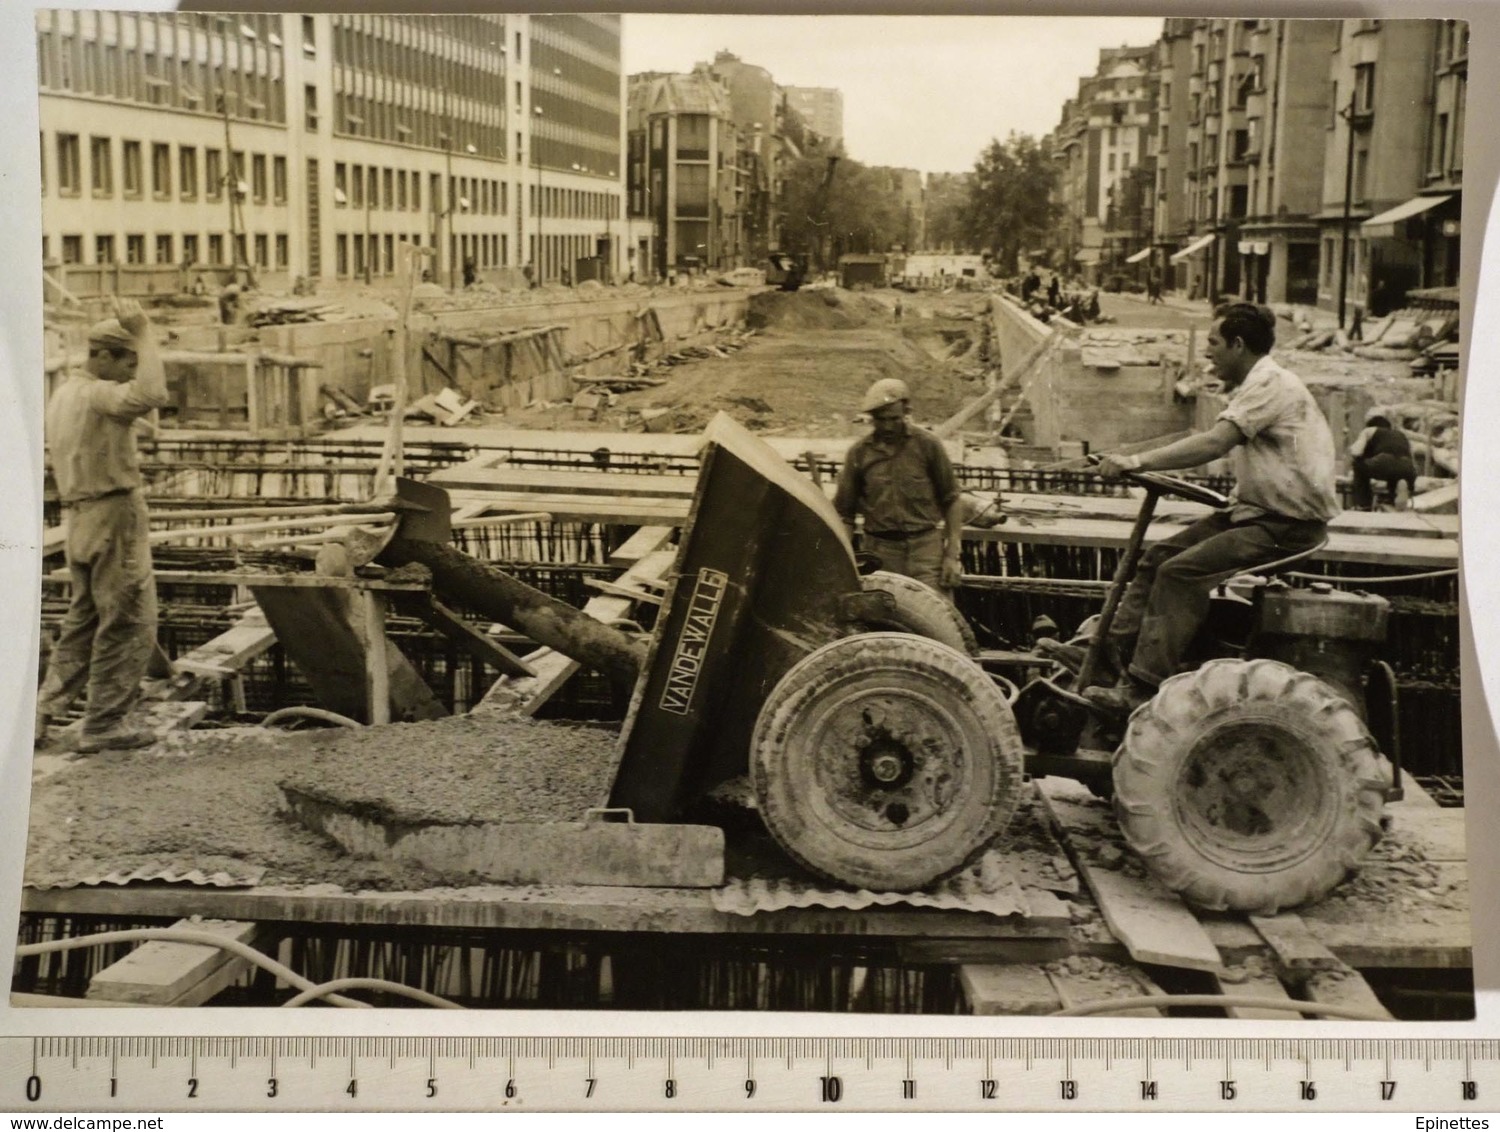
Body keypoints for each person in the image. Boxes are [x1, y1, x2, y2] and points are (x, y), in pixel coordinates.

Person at [1084, 302, 1340, 715]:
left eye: (1213, 343)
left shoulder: (1272, 384)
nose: (1207, 352)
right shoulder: (1259, 384)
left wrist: (1136, 462)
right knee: (1158, 558)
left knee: (1180, 574)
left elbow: (1213, 443)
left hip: (1286, 524)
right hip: (1256, 513)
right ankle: (1105, 660)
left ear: (1238, 345)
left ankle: (1142, 688)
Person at [36, 299, 171, 752]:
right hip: (113, 516)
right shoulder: (97, 393)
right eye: (128, 362)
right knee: (128, 618)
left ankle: (44, 711)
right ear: (103, 357)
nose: (134, 373)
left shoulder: (64, 394)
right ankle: (105, 723)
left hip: (80, 517)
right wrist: (145, 330)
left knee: (83, 619)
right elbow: (153, 394)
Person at [833, 378, 965, 593]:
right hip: (880, 554)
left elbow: (951, 500)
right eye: (880, 419)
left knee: (936, 617)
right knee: (883, 617)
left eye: (894, 419)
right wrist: (843, 561)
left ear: (906, 411)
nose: (887, 426)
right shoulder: (859, 454)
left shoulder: (928, 445)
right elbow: (844, 514)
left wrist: (951, 556)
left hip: (925, 550)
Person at [1350, 412, 1417, 510]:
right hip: (1408, 469)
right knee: (1394, 473)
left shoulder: (1369, 430)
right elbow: (1412, 458)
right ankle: (1392, 499)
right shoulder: (1400, 435)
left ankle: (1364, 505)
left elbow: (1356, 452)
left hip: (1385, 461)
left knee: (1358, 465)